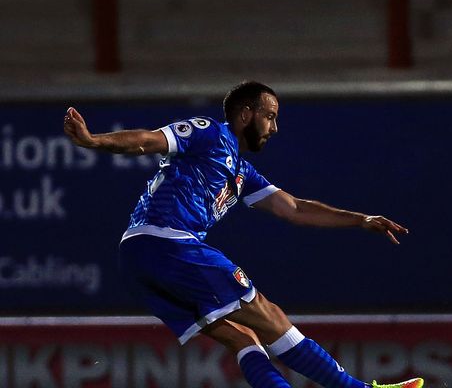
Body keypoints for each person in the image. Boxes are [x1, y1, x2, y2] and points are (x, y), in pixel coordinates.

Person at [63, 81, 422, 388]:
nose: (274, 127)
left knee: (244, 337)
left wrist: (360, 219)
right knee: (269, 315)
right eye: (270, 116)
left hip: (138, 260)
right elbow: (147, 140)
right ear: (246, 113)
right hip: (168, 244)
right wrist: (94, 141)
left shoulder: (241, 172)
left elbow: (294, 208)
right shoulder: (209, 133)